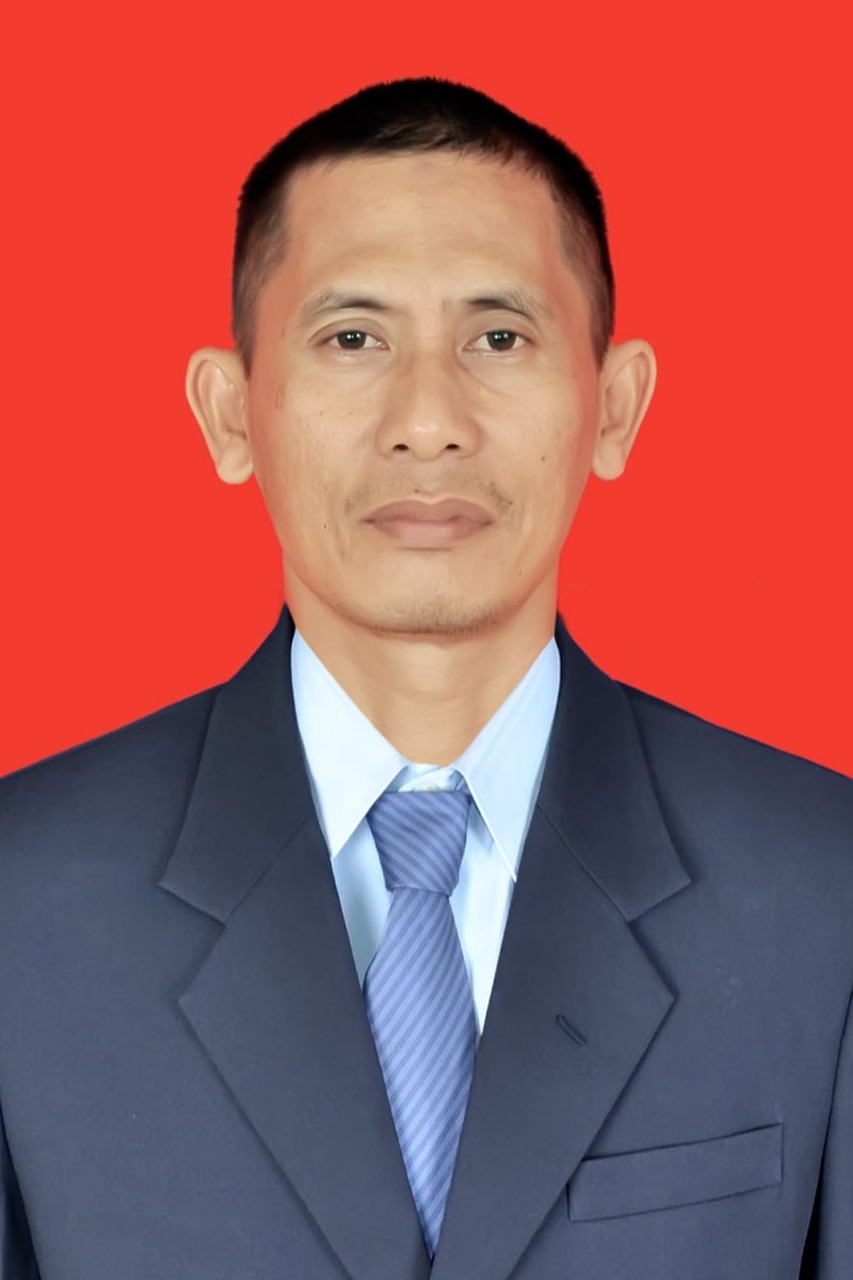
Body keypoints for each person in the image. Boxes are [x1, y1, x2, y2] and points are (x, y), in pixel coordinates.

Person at [0, 76, 850, 1280]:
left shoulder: (822, 885)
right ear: (230, 413)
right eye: (353, 338)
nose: (429, 420)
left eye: (499, 337)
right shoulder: (22, 899)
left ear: (614, 405)